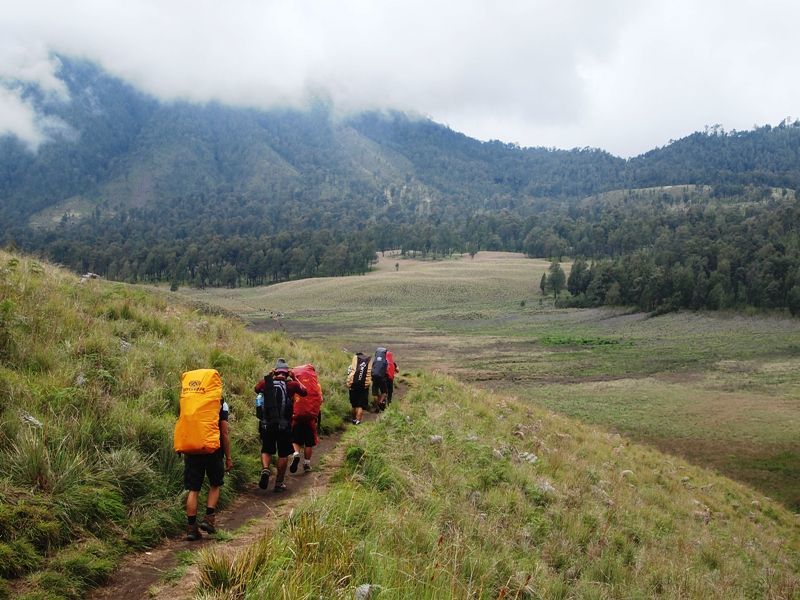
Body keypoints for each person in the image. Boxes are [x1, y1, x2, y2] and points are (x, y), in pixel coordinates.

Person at [254, 358, 307, 492]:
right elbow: (305, 391)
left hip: (267, 425)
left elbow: (256, 388)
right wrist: (295, 377)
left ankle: (265, 469)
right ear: (286, 373)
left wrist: (269, 376)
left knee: (266, 450)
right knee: (283, 454)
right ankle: (279, 483)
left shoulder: (267, 383)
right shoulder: (291, 385)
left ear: (276, 371)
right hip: (284, 426)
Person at [184, 397, 232, 541]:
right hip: (213, 450)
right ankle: (208, 519)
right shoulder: (221, 404)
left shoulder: (189, 401)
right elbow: (224, 433)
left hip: (192, 450)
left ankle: (192, 529)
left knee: (194, 489)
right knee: (215, 484)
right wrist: (228, 457)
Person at [288, 364, 324, 474]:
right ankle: (307, 464)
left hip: (297, 416)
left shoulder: (294, 385)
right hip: (311, 417)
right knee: (309, 442)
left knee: (295, 439)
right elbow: (320, 399)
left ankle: (296, 454)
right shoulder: (316, 385)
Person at [347, 352, 371, 425]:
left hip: (353, 387)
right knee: (360, 405)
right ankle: (358, 421)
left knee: (354, 405)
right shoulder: (366, 365)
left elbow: (349, 376)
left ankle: (354, 420)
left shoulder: (351, 366)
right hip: (364, 387)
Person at [370, 347, 389, 412]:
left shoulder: (374, 360)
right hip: (382, 379)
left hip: (374, 378)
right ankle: (381, 402)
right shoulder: (385, 361)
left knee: (375, 394)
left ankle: (377, 406)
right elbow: (387, 370)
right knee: (384, 392)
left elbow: (372, 368)